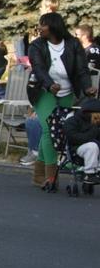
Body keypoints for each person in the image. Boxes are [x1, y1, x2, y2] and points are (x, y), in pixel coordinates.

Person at [28, 12, 97, 188]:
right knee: (48, 130)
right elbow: (39, 69)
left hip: (66, 92)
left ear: (53, 27)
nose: (40, 28)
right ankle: (51, 177)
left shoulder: (73, 44)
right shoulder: (36, 46)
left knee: (57, 130)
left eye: (43, 24)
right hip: (43, 91)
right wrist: (50, 84)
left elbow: (81, 70)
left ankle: (39, 173)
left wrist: (87, 87)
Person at [63, 98, 100, 183]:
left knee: (94, 146)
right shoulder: (72, 121)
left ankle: (98, 170)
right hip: (77, 147)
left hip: (94, 147)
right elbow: (74, 138)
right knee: (92, 146)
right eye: (97, 116)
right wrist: (94, 130)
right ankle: (89, 174)